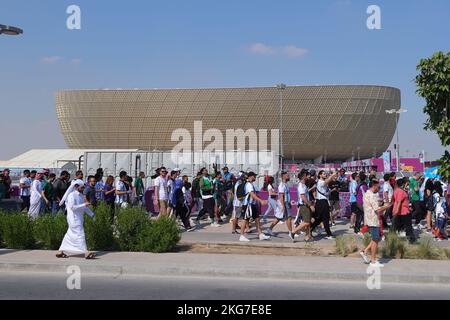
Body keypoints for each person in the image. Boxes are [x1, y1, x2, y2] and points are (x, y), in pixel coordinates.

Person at [56, 179, 96, 260]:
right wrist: (84, 204)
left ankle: (60, 251)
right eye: (82, 187)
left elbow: (84, 207)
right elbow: (72, 207)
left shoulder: (80, 196)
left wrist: (92, 214)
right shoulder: (71, 195)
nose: (83, 189)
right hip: (73, 219)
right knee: (80, 234)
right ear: (76, 186)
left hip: (79, 218)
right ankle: (86, 252)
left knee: (69, 234)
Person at [359, 179, 391, 267]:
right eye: (378, 187)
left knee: (376, 238)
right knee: (376, 240)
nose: (379, 189)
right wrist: (386, 206)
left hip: (369, 219)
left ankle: (364, 251)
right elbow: (378, 210)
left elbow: (372, 204)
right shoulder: (372, 196)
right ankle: (373, 261)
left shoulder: (367, 193)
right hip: (373, 220)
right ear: (374, 186)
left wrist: (379, 201)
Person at [238, 172, 270, 242]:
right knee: (245, 219)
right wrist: (261, 201)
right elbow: (252, 194)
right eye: (254, 176)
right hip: (248, 204)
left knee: (257, 218)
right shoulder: (249, 184)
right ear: (251, 176)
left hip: (252, 204)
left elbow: (253, 194)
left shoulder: (251, 184)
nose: (255, 177)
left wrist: (259, 199)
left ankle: (260, 234)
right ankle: (242, 235)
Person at [310, 170, 339, 240]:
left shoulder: (324, 184)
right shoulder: (320, 182)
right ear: (320, 175)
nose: (325, 175)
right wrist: (332, 175)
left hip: (324, 202)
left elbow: (327, 192)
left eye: (326, 174)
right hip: (321, 202)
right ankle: (329, 234)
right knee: (325, 218)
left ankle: (310, 228)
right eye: (324, 174)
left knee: (320, 219)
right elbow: (326, 182)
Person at [267, 172, 294, 239]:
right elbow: (281, 196)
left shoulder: (286, 185)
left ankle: (269, 229)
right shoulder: (281, 185)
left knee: (279, 218)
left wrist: (289, 202)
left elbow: (287, 195)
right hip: (283, 203)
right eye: (287, 176)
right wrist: (283, 206)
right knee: (288, 218)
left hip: (286, 202)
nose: (289, 176)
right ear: (283, 177)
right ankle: (291, 232)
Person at [291, 169, 314, 242]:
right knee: (306, 222)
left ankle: (307, 237)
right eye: (307, 175)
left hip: (305, 205)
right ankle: (294, 231)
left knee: (308, 223)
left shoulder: (304, 185)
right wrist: (310, 205)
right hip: (304, 206)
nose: (308, 176)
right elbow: (303, 197)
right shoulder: (301, 186)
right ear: (303, 176)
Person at [392, 178, 415, 243]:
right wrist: (397, 211)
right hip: (403, 211)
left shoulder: (396, 190)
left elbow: (395, 201)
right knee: (408, 226)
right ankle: (411, 239)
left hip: (399, 210)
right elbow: (399, 202)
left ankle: (392, 238)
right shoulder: (401, 191)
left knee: (395, 226)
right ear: (402, 184)